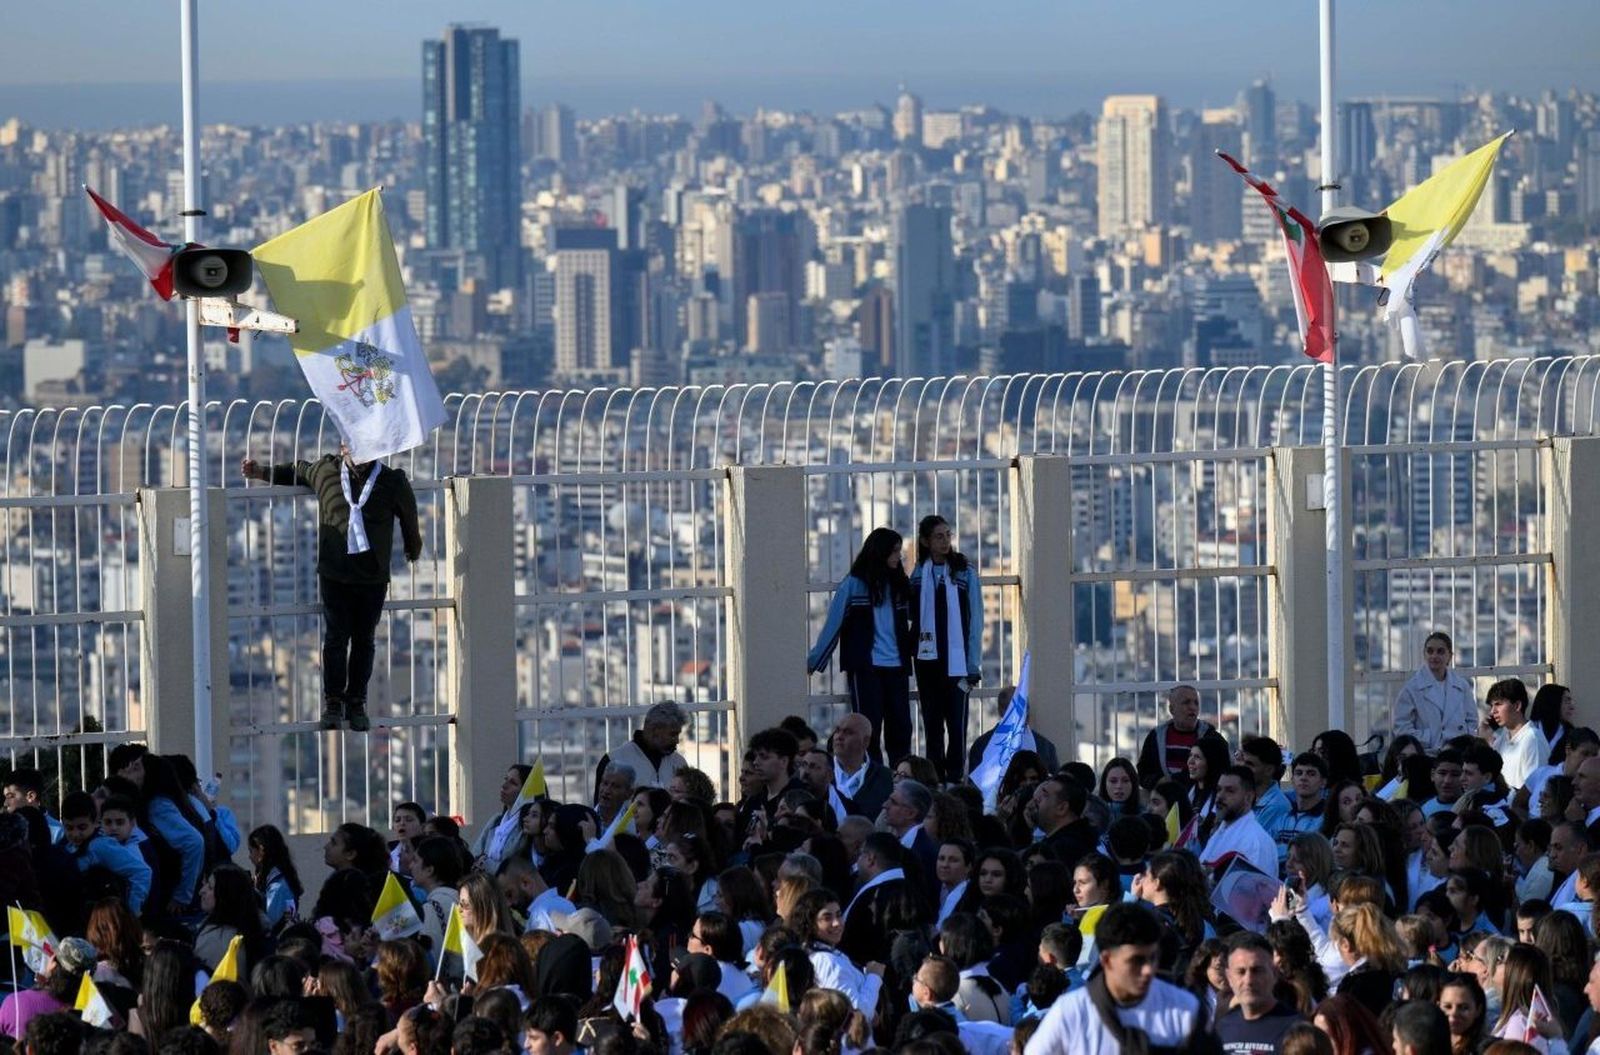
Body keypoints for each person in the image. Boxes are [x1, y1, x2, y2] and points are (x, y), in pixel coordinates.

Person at [240, 445, 421, 732]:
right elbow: (297, 471)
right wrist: (262, 472)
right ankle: (333, 702)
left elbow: (409, 518)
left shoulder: (391, 481)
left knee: (364, 640)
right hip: (335, 573)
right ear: (343, 447)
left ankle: (357, 702)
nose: (361, 453)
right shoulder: (326, 471)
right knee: (336, 640)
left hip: (371, 577)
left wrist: (414, 549)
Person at [1023, 901, 1216, 1054]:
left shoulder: (1184, 1008)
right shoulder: (1071, 1013)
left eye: (1153, 957)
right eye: (1136, 961)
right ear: (1107, 960)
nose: (1148, 969)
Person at [807, 527, 914, 765]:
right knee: (868, 730)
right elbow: (833, 625)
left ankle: (900, 775)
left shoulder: (899, 585)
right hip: (866, 668)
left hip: (897, 666)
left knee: (901, 728)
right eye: (894, 551)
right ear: (881, 552)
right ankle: (871, 779)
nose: (899, 556)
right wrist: (815, 660)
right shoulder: (853, 585)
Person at [907, 514, 984, 783]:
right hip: (927, 660)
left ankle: (954, 778)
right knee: (932, 724)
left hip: (958, 662)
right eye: (938, 536)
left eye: (948, 535)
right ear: (926, 541)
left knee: (957, 724)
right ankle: (933, 779)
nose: (944, 541)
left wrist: (973, 663)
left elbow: (975, 619)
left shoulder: (964, 572)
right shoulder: (918, 574)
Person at [1215, 932, 1305, 1053]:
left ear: (1274, 973)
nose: (1248, 980)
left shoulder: (1297, 1030)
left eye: (1257, 970)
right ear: (1229, 977)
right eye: (1241, 972)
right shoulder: (1222, 1028)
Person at [1394, 632, 1477, 752]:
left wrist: (1463, 739)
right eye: (1430, 651)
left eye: (1440, 651)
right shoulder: (1412, 688)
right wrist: (1428, 738)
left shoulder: (1461, 686)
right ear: (1424, 654)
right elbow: (1401, 726)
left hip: (1458, 753)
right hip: (1426, 753)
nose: (1434, 656)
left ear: (1450, 656)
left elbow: (1472, 720)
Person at [592, 701, 688, 797]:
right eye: (673, 734)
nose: (677, 741)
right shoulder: (614, 761)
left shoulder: (679, 763)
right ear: (654, 730)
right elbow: (602, 809)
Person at [1198, 767, 1278, 878]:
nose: (1220, 796)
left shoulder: (1255, 842)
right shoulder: (1220, 831)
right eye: (1219, 789)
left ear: (1248, 797)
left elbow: (1256, 892)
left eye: (1230, 791)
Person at [968, 684, 1060, 775]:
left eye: (1025, 707)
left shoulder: (1045, 747)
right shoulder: (982, 746)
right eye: (1015, 709)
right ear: (1001, 711)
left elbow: (1054, 783)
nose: (1023, 713)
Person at [1136, 684, 1215, 788]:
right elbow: (1143, 774)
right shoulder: (1156, 736)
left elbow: (1218, 772)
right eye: (1186, 702)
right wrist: (1159, 782)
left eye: (1196, 703)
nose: (1193, 707)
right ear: (1172, 709)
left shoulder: (1210, 737)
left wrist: (1174, 781)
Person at [1482, 678, 1549, 794]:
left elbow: (1534, 788)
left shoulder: (1532, 739)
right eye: (1492, 706)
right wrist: (1483, 739)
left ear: (1517, 705)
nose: (1493, 711)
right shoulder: (1502, 737)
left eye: (1498, 704)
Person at [828, 713, 894, 820]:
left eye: (848, 732)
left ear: (866, 741)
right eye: (837, 730)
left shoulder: (886, 779)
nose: (839, 736)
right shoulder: (818, 770)